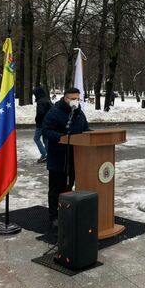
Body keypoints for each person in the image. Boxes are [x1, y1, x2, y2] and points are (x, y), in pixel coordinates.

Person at [42, 87, 89, 226]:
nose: (76, 102)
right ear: (65, 98)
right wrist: (62, 137)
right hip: (58, 158)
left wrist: (90, 135)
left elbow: (85, 129)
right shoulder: (55, 112)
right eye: (73, 99)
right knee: (56, 188)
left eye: (78, 99)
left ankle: (67, 212)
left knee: (69, 187)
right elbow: (46, 131)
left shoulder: (80, 114)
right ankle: (54, 216)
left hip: (75, 158)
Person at [32, 86, 52, 163]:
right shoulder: (47, 100)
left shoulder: (40, 102)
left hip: (41, 124)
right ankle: (49, 155)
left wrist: (37, 119)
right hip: (48, 123)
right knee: (45, 139)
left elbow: (40, 113)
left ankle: (44, 154)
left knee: (36, 138)